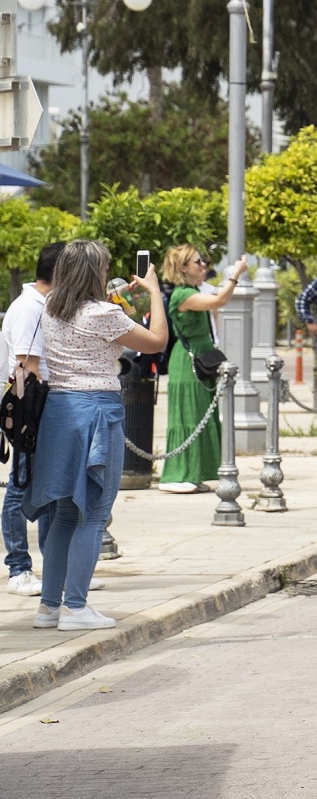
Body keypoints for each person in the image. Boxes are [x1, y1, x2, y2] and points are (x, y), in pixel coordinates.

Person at [25, 242, 165, 631]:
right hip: (97, 411)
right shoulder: (103, 314)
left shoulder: (51, 307)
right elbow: (156, 341)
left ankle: (49, 608)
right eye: (103, 268)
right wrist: (154, 292)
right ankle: (76, 607)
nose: (106, 273)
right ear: (93, 273)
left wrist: (119, 302)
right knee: (95, 511)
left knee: (65, 513)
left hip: (59, 410)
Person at [155, 245, 249, 493]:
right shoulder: (182, 295)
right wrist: (235, 274)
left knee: (200, 415)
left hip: (201, 358)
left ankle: (195, 472)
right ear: (183, 267)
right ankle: (179, 474)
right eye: (198, 262)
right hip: (188, 361)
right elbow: (220, 300)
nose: (204, 265)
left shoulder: (194, 291)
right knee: (188, 415)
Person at [3, 241, 61, 597]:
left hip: (41, 409)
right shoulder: (29, 309)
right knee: (21, 486)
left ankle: (53, 569)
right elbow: (27, 368)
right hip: (32, 412)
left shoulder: (44, 306)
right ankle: (18, 569)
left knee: (49, 490)